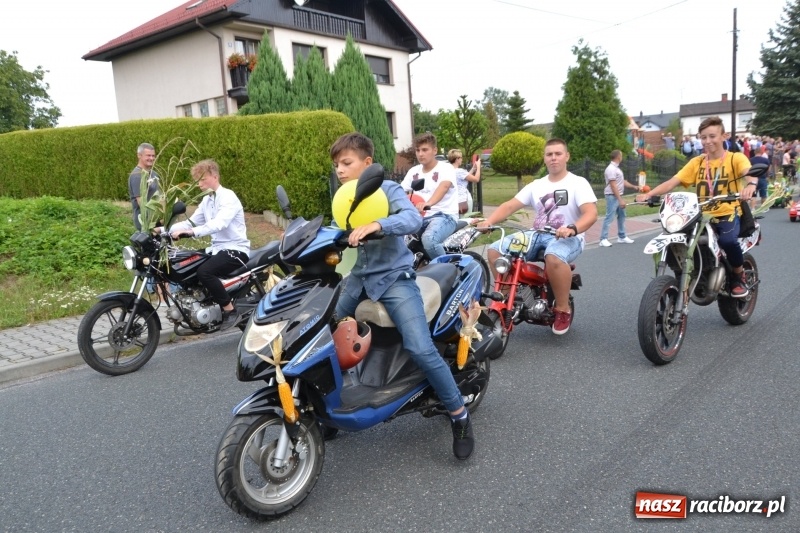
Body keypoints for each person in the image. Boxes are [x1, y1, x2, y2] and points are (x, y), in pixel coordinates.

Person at [330, 132, 475, 460]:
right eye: (337, 164)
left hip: (395, 279)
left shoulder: (387, 189)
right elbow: (336, 228)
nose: (340, 170)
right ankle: (330, 403)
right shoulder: (345, 197)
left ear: (367, 163)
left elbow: (411, 218)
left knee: (420, 348)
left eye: (346, 163)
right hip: (359, 278)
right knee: (325, 332)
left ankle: (459, 415)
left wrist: (377, 224)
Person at [477, 139, 598, 335]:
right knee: (495, 250)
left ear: (567, 156)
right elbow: (509, 206)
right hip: (537, 234)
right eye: (549, 154)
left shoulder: (578, 183)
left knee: (554, 256)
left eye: (558, 154)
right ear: (544, 158)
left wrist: (573, 228)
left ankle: (563, 309)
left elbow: (591, 213)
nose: (553, 158)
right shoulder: (537, 185)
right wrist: (488, 221)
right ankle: (506, 298)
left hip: (568, 237)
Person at [636, 116, 754, 298]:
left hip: (727, 213)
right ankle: (685, 277)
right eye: (703, 137)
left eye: (712, 136)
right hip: (700, 215)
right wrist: (649, 194)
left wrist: (751, 185)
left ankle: (739, 276)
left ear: (724, 136)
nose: (707, 141)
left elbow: (749, 172)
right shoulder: (697, 162)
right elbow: (673, 182)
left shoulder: (735, 159)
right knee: (676, 238)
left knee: (728, 241)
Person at [167, 159, 250, 331]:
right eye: (197, 181)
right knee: (187, 264)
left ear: (215, 176)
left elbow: (219, 224)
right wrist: (163, 230)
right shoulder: (207, 200)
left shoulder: (228, 197)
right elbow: (190, 222)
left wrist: (191, 232)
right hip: (216, 249)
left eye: (202, 179)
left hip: (235, 249)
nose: (199, 184)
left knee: (205, 272)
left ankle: (230, 311)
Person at [400, 133, 459, 258]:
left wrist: (428, 203)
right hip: (419, 217)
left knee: (429, 240)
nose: (420, 154)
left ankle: (446, 268)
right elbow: (400, 191)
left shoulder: (446, 168)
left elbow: (444, 187)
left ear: (434, 150)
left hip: (444, 216)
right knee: (399, 241)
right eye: (418, 150)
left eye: (425, 150)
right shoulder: (413, 171)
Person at [599, 149, 641, 247]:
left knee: (622, 216)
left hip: (617, 195)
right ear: (618, 157)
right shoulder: (611, 169)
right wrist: (620, 200)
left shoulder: (616, 168)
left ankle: (622, 236)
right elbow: (613, 186)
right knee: (609, 217)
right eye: (621, 155)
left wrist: (634, 187)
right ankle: (603, 239)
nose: (622, 157)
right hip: (612, 196)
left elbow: (622, 182)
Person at [128, 143, 160, 231]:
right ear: (139, 155)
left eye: (153, 156)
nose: (151, 158)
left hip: (157, 221)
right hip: (145, 223)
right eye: (148, 155)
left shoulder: (154, 174)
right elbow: (141, 203)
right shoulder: (137, 175)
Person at [447, 149, 481, 215]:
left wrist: (473, 169)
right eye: (461, 158)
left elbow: (465, 177)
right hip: (463, 200)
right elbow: (476, 179)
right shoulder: (459, 171)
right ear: (457, 159)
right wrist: (478, 168)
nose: (462, 160)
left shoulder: (448, 170)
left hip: (453, 201)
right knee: (465, 219)